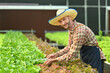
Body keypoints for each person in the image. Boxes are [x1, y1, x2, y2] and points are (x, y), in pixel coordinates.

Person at [44, 8, 106, 73]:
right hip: (86, 55)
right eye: (60, 21)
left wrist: (55, 60)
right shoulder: (71, 30)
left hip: (93, 56)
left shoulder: (79, 31)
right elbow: (69, 47)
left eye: (64, 19)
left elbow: (72, 54)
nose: (63, 23)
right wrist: (56, 54)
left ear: (70, 18)